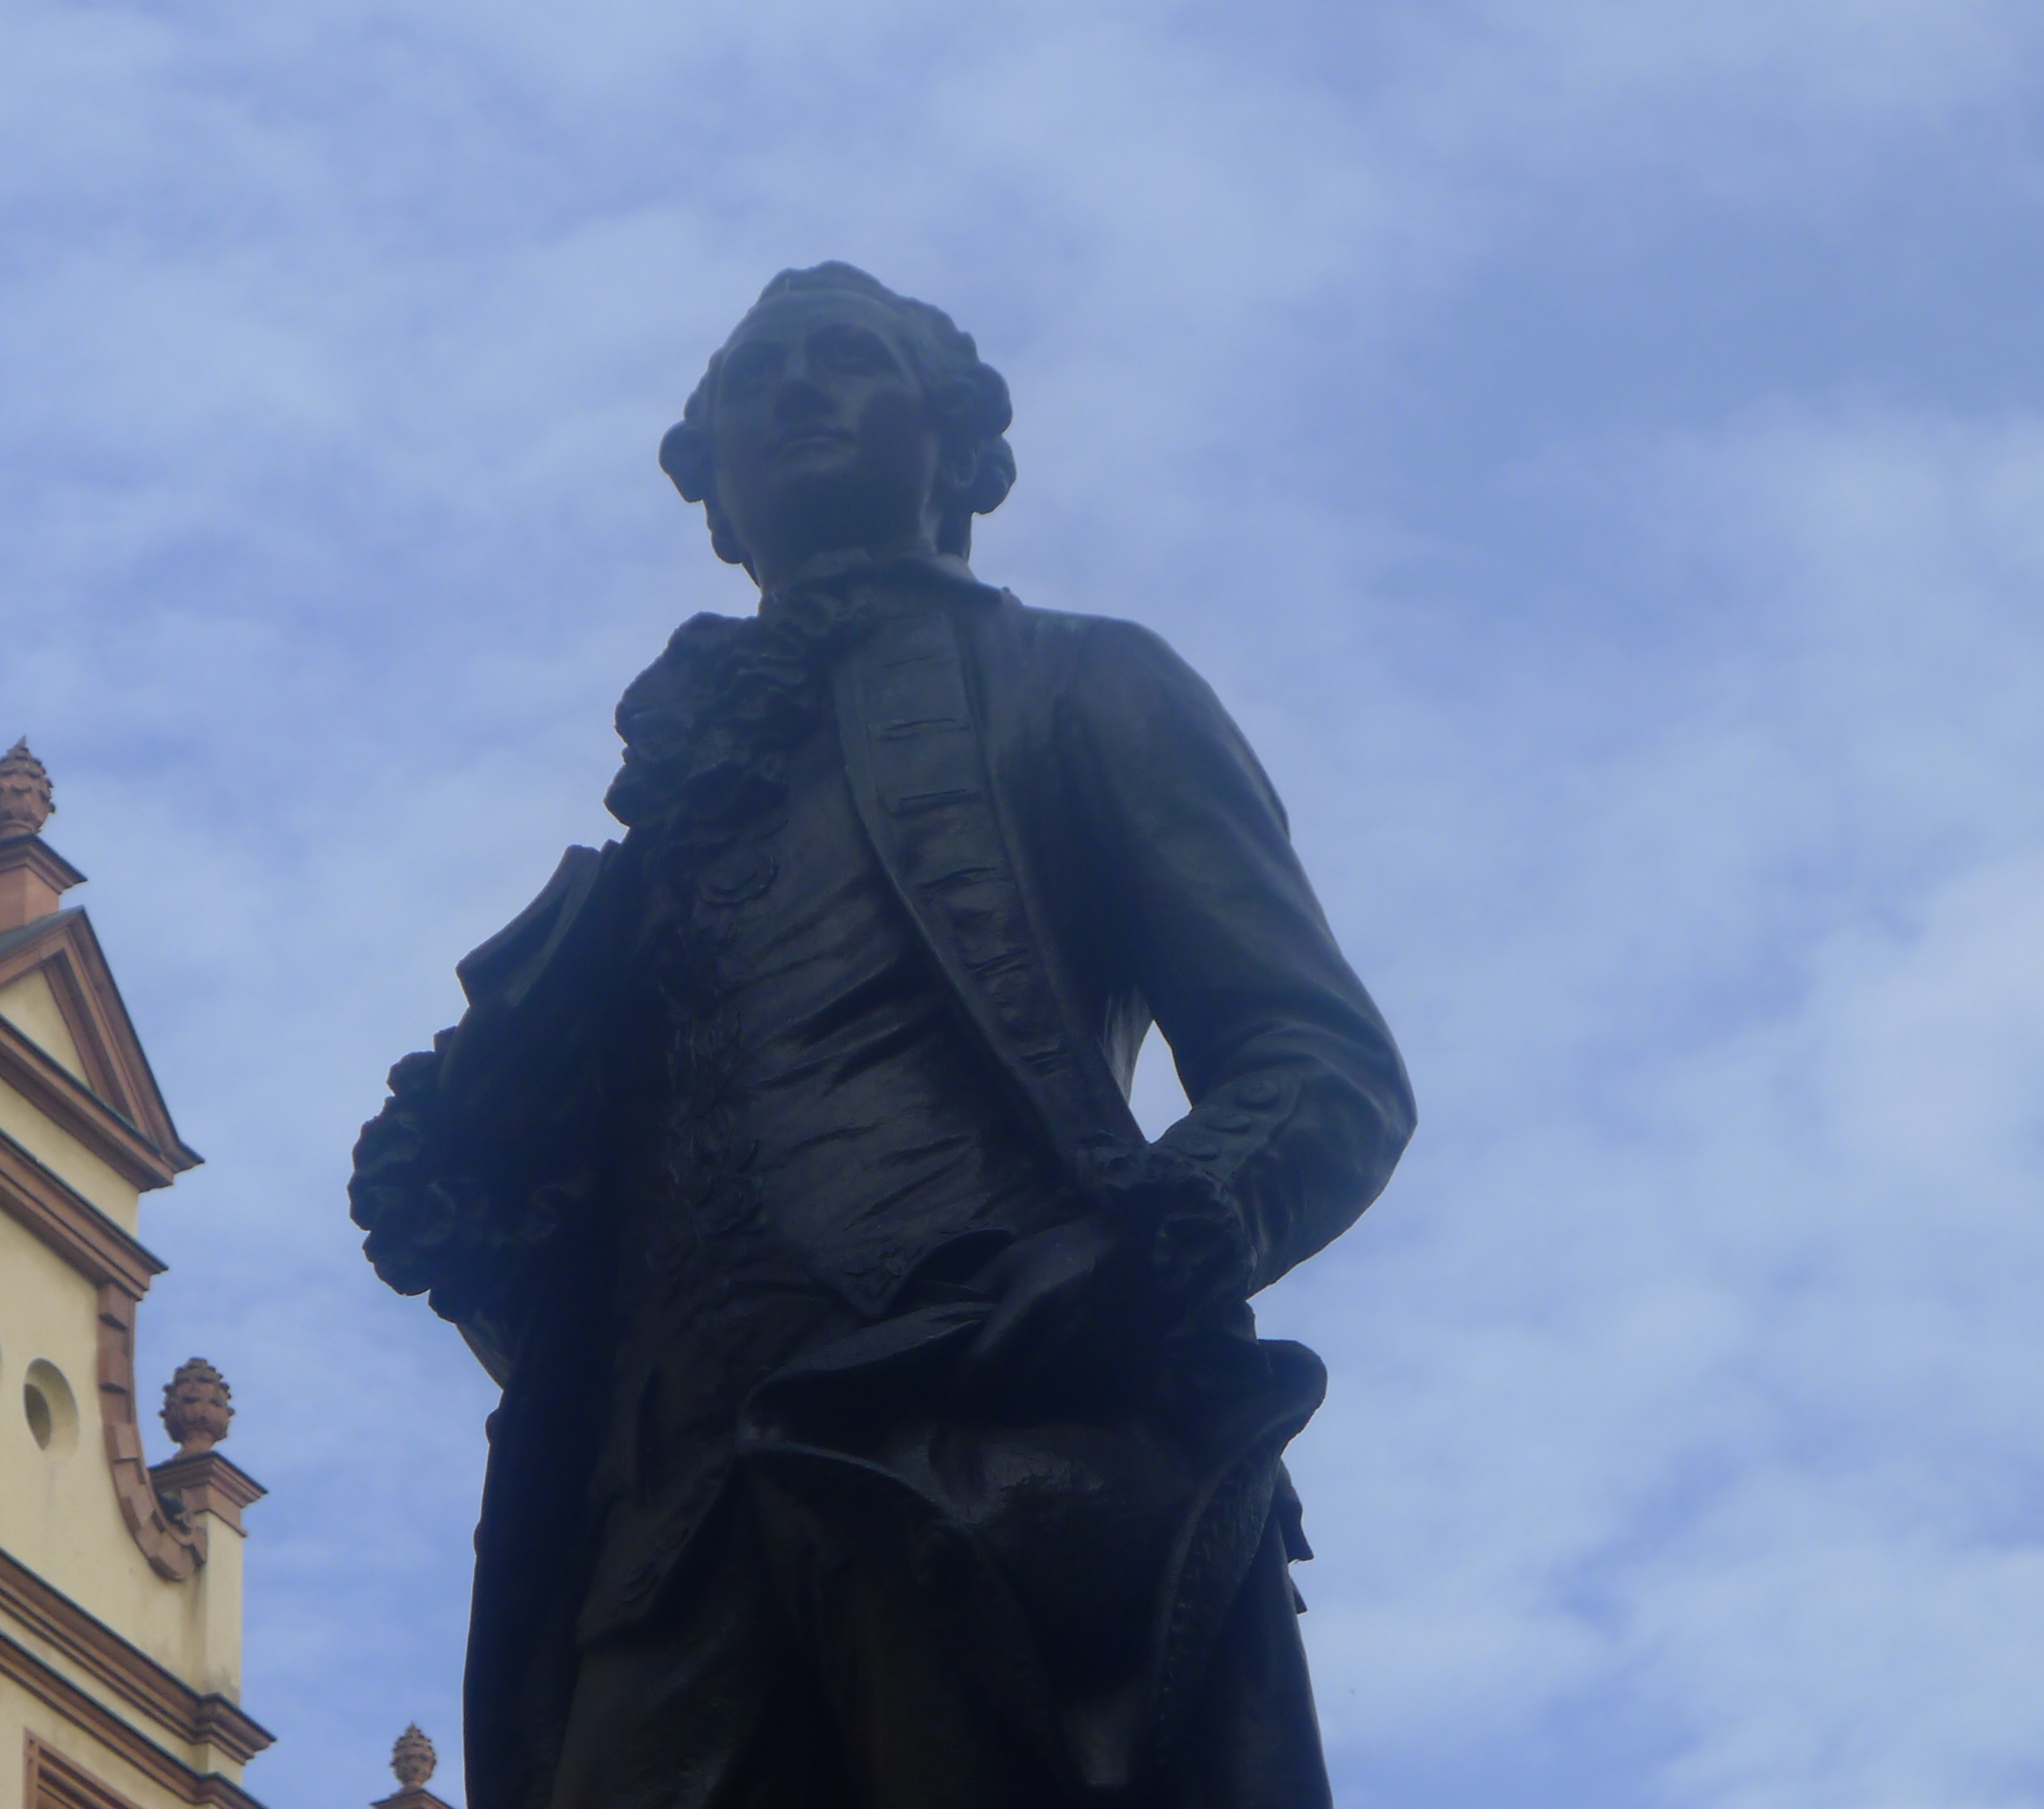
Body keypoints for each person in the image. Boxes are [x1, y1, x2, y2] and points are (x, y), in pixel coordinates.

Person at [351, 262, 1415, 1809]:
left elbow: (1320, 1064)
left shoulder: (1082, 684)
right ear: (711, 489)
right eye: (753, 381)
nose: (795, 392)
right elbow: (583, 1254)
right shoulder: (657, 851)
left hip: (973, 1445)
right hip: (665, 1540)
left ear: (962, 446)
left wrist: (1147, 1249)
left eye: (848, 359)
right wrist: (468, 1189)